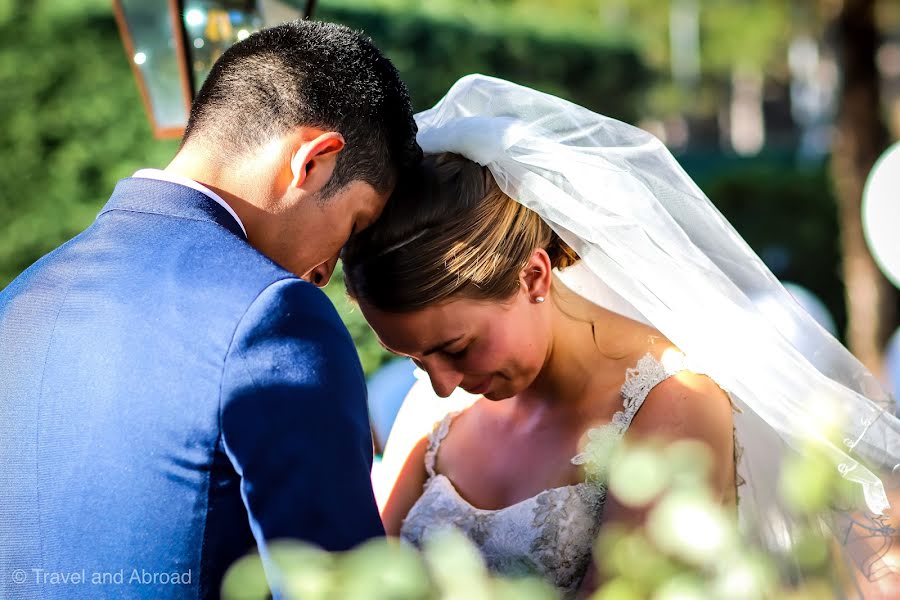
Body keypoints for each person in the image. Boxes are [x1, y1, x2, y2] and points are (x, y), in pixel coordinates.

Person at [342, 74, 900, 598]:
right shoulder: (434, 410)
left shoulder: (676, 405)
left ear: (533, 275)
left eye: (454, 348)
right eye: (414, 358)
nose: (440, 383)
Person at [0, 20, 419, 600]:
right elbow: (344, 588)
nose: (327, 271)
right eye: (355, 224)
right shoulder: (273, 317)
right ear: (314, 161)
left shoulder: (19, 298)